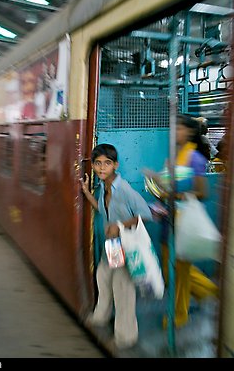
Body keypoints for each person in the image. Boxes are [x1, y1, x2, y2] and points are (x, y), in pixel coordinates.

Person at [80, 143, 153, 349]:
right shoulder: (104, 188)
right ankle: (101, 316)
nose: (102, 168)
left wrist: (120, 226)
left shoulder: (125, 190)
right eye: (98, 163)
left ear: (116, 165)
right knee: (103, 278)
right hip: (112, 248)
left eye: (107, 163)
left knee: (123, 291)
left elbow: (145, 215)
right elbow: (103, 210)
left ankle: (125, 336)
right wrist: (87, 193)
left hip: (125, 247)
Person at [157, 114, 219, 329]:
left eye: (179, 129)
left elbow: (202, 192)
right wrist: (157, 185)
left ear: (189, 131)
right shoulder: (174, 157)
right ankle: (206, 290)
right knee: (169, 267)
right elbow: (167, 189)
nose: (174, 133)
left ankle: (179, 314)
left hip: (183, 222)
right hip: (169, 218)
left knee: (179, 272)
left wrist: (176, 195)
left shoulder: (194, 158)